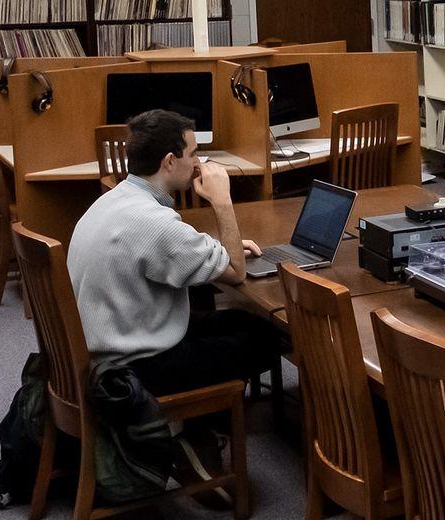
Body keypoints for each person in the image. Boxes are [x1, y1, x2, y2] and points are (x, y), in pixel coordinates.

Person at [68, 109, 285, 507]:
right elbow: (236, 272)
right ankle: (198, 440)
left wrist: (213, 248)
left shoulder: (114, 199)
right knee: (269, 338)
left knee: (239, 319)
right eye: (194, 153)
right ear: (170, 161)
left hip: (102, 349)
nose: (199, 163)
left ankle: (204, 429)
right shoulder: (156, 224)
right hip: (137, 368)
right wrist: (222, 201)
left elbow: (167, 247)